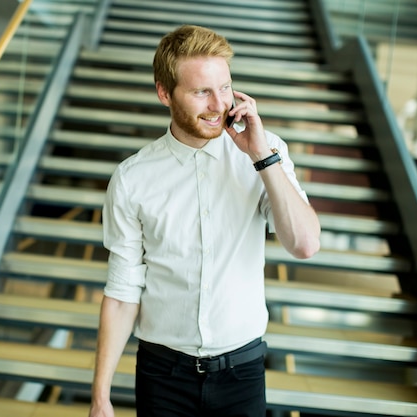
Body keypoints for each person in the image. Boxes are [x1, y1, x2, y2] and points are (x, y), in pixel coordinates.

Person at [89, 25, 321, 417]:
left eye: (226, 87)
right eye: (202, 92)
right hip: (162, 375)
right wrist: (101, 397)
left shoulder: (268, 153)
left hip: (242, 373)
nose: (219, 104)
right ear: (165, 93)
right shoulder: (132, 178)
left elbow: (304, 244)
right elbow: (123, 290)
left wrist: (262, 157)